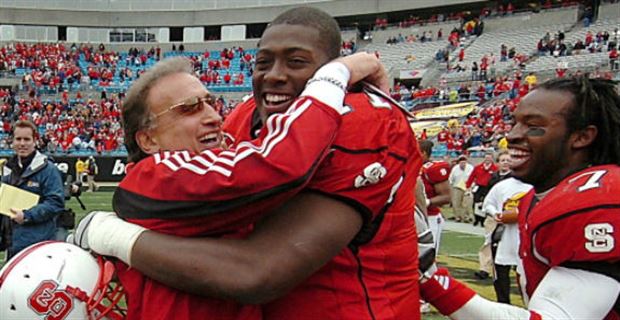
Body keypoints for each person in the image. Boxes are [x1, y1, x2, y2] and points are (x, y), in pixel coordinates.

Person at [75, 7, 423, 320]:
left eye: (297, 62)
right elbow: (276, 164)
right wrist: (333, 77)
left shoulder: (365, 122)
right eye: (262, 63)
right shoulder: (162, 171)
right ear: (148, 140)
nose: (213, 117)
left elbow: (261, 270)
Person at [418, 76, 620, 319]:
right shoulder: (535, 197)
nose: (512, 135)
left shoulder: (596, 200)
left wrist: (428, 275)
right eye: (515, 123)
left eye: (533, 126)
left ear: (582, 137)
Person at [1, 120, 64, 260]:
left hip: (37, 244)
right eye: (18, 139)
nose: (22, 143)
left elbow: (56, 203)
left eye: (27, 139)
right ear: (12, 141)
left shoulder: (48, 170)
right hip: (12, 243)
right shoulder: (8, 168)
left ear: (35, 141)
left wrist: (27, 215)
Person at [482, 175, 531, 304]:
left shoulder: (536, 185)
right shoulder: (501, 186)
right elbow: (488, 204)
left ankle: (530, 305)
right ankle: (503, 304)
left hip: (527, 234)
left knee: (527, 275)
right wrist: (495, 213)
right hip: (504, 234)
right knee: (500, 271)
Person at [418, 140, 451, 313]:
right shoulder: (413, 167)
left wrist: (425, 202)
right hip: (415, 217)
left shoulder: (432, 169)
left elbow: (446, 197)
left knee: (427, 259)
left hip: (430, 218)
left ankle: (429, 298)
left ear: (423, 153)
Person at [475, 151, 511, 280]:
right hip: (493, 214)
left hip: (511, 216)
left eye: (508, 160)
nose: (505, 162)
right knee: (488, 240)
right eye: (503, 160)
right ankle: (484, 268)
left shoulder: (516, 179)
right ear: (498, 163)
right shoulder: (494, 177)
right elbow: (487, 193)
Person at [466, 152, 497, 227]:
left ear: (492, 159)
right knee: (476, 203)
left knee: (485, 203)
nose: (487, 160)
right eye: (486, 158)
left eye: (489, 158)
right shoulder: (478, 167)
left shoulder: (495, 168)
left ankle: (483, 219)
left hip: (488, 188)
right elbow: (472, 177)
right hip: (479, 187)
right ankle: (477, 219)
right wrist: (468, 186)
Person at [448, 155, 473, 222]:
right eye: (461, 163)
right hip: (457, 187)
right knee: (456, 203)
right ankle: (457, 217)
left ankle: (466, 217)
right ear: (459, 163)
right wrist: (451, 188)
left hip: (467, 187)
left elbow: (474, 177)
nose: (463, 164)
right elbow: (450, 179)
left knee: (466, 203)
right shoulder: (455, 169)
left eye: (464, 162)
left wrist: (471, 187)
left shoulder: (470, 168)